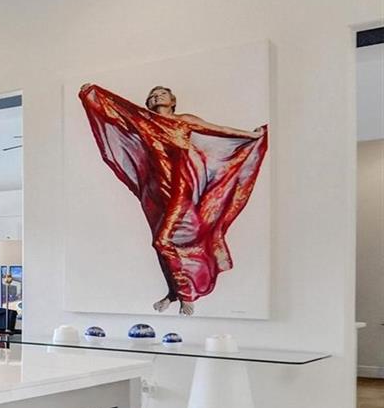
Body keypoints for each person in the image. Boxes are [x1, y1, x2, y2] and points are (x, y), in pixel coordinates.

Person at [78, 83, 268, 315]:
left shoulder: (184, 120)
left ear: (173, 101)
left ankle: (186, 295)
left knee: (164, 241)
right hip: (154, 190)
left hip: (181, 185)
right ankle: (172, 292)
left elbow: (218, 130)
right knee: (159, 245)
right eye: (152, 95)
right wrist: (92, 96)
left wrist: (252, 135)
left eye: (162, 93)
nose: (157, 96)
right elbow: (114, 112)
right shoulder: (143, 121)